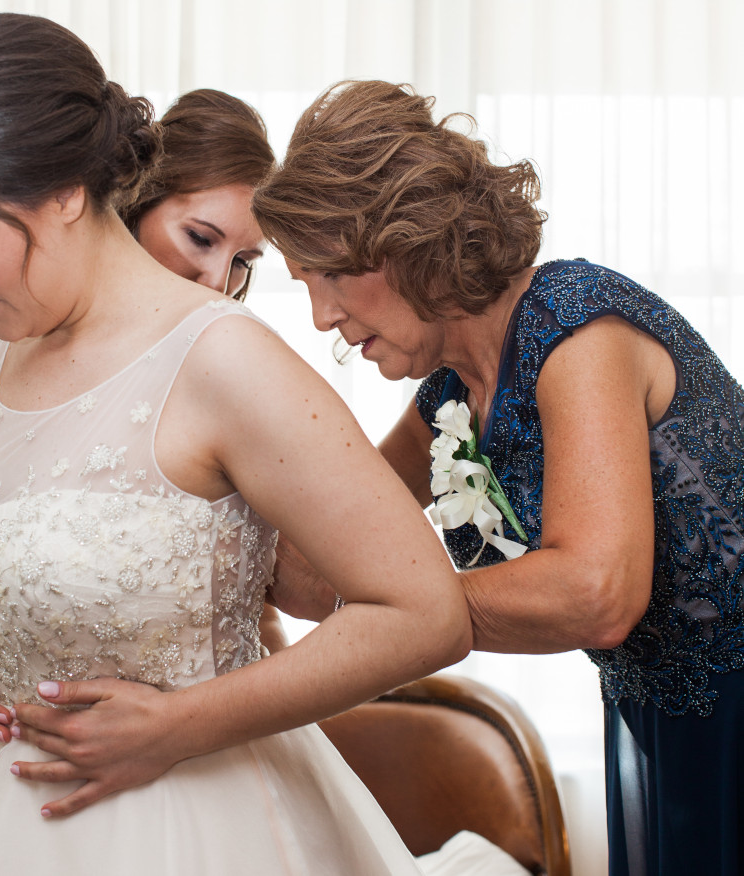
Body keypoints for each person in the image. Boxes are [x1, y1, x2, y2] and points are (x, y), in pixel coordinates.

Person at [0, 15, 471, 874]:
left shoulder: (224, 360)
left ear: (64, 193)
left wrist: (176, 726)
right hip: (2, 820)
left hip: (189, 829)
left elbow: (423, 613)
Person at [250, 79, 744, 876]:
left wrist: (400, 611)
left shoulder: (575, 327)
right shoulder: (446, 395)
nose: (320, 319)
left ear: (407, 243)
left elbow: (596, 593)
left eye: (329, 275)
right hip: (660, 724)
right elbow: (317, 562)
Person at [0, 80, 276, 876]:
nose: (217, 278)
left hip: (59, 723)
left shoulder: (223, 364)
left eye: (244, 259)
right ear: (130, 202)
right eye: (200, 236)